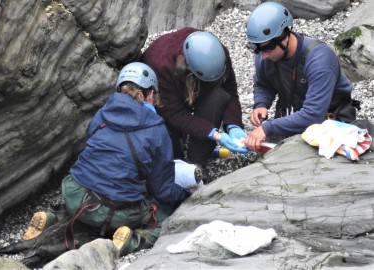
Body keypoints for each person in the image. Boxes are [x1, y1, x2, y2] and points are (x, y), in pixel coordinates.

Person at [21, 62, 196, 257]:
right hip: (114, 211)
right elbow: (161, 190)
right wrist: (183, 195)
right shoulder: (156, 129)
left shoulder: (102, 113)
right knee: (163, 219)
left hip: (75, 193)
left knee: (90, 197)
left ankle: (52, 216)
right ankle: (130, 240)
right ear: (151, 95)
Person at [244, 2, 360, 152]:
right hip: (292, 114)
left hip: (330, 121)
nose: (263, 55)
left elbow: (313, 115)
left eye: (267, 48)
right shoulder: (266, 54)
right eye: (257, 48)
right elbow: (263, 84)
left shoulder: (320, 59)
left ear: (285, 36)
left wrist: (268, 128)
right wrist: (261, 104)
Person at [140, 27, 249, 166]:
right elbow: (176, 115)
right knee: (171, 154)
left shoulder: (218, 53)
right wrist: (214, 133)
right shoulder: (161, 66)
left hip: (193, 82)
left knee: (219, 97)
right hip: (162, 103)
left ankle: (198, 162)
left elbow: (230, 90)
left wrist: (233, 125)